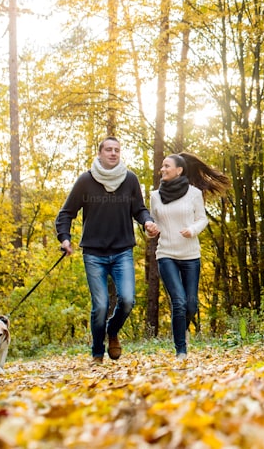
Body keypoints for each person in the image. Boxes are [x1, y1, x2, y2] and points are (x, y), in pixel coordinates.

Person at [56, 136, 156, 364]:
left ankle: (112, 331)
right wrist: (64, 238)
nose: (113, 153)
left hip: (122, 251)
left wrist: (147, 221)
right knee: (100, 305)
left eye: (117, 150)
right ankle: (97, 353)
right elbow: (66, 213)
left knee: (128, 300)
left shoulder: (129, 179)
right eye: (108, 150)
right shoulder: (86, 180)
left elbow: (139, 209)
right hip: (94, 253)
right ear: (100, 153)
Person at [147, 152, 231, 358]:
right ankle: (181, 351)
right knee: (179, 302)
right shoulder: (155, 195)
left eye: (167, 166)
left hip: (191, 256)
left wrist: (192, 230)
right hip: (166, 253)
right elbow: (152, 223)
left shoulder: (193, 193)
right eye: (162, 166)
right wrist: (150, 231)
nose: (163, 169)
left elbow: (202, 219)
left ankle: (181, 329)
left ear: (179, 170)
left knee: (191, 304)